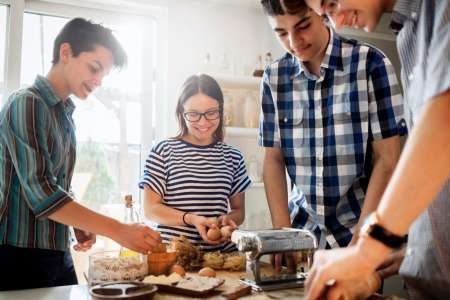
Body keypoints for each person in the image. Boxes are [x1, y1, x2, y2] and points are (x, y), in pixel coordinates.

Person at [289, 0, 450, 299]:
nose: (335, 22)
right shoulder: (408, 32)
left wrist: (367, 250)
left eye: (332, 3)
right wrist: (410, 250)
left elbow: (445, 122)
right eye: (325, 14)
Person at [0, 18, 161, 291]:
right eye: (94, 68)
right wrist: (119, 230)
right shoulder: (26, 102)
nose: (98, 81)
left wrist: (76, 223)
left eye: (103, 75)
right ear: (65, 53)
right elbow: (42, 194)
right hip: (16, 256)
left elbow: (58, 185)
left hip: (54, 252)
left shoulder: (65, 115)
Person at [258, 0, 405, 271]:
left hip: (357, 233)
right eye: (281, 33)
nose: (294, 41)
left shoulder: (371, 64)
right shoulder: (274, 78)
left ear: (323, 13)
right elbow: (273, 160)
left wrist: (364, 234)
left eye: (303, 25)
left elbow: (388, 158)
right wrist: (283, 231)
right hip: (300, 238)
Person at [139, 74, 251, 252]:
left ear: (221, 110)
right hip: (176, 256)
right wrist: (192, 219)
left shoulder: (233, 156)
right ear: (181, 113)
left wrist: (227, 220)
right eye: (193, 114)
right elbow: (151, 209)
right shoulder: (163, 151)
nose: (203, 122)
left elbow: (239, 211)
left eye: (211, 113)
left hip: (223, 257)